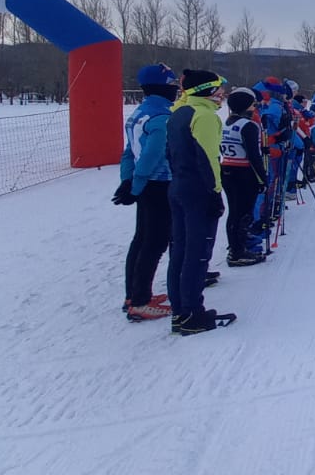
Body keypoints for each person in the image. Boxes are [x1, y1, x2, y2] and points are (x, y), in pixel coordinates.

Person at [166, 69, 232, 335]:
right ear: (206, 90)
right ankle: (192, 313)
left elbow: (169, 154)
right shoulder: (204, 116)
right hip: (198, 191)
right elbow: (209, 159)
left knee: (181, 252)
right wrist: (215, 192)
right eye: (218, 89)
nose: (222, 94)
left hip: (180, 187)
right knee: (196, 254)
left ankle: (181, 311)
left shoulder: (179, 112)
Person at [114, 63, 178, 321]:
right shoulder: (162, 117)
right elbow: (152, 154)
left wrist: (127, 181)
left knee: (141, 239)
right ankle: (139, 301)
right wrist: (136, 183)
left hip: (146, 184)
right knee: (154, 242)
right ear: (161, 87)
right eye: (171, 86)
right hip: (160, 183)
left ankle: (134, 293)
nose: (174, 90)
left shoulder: (139, 112)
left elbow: (129, 151)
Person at [220, 87, 268, 267]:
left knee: (235, 212)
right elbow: (253, 155)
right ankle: (238, 250)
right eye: (253, 105)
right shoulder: (248, 125)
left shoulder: (227, 122)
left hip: (227, 169)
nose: (255, 108)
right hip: (243, 171)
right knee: (242, 213)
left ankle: (236, 247)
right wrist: (262, 177)